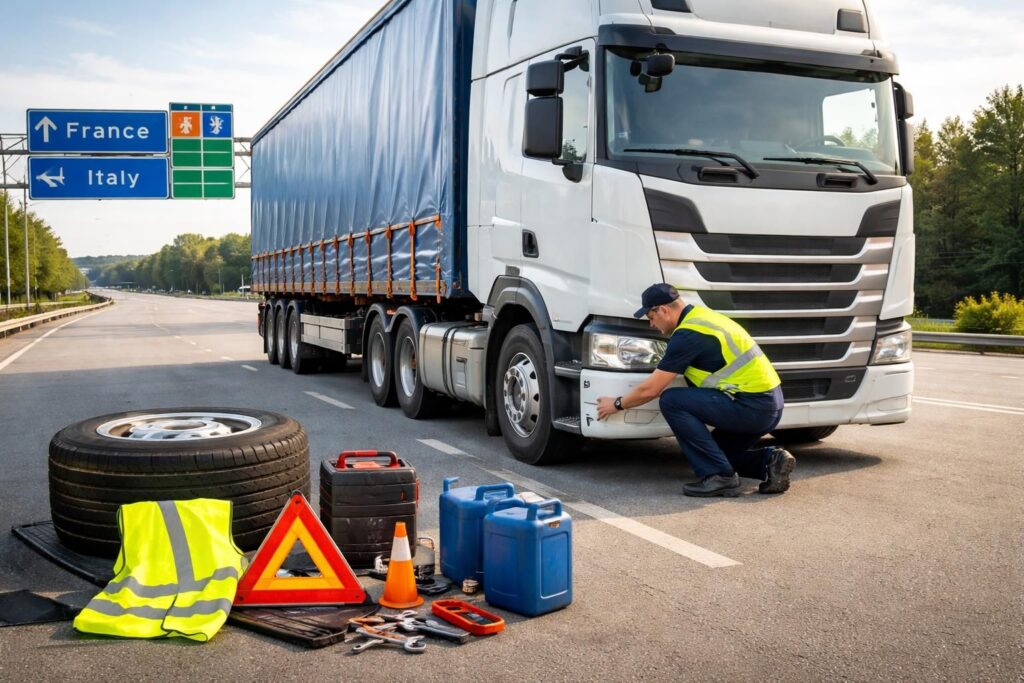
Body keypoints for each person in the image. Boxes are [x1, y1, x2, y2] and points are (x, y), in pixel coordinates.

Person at [597, 283, 795, 497]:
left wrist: (617, 404)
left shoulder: (688, 334)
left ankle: (720, 477)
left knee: (672, 400)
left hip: (752, 406)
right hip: (769, 404)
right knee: (718, 452)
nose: (652, 324)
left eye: (650, 317)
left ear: (662, 309)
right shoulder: (704, 317)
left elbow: (651, 390)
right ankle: (772, 462)